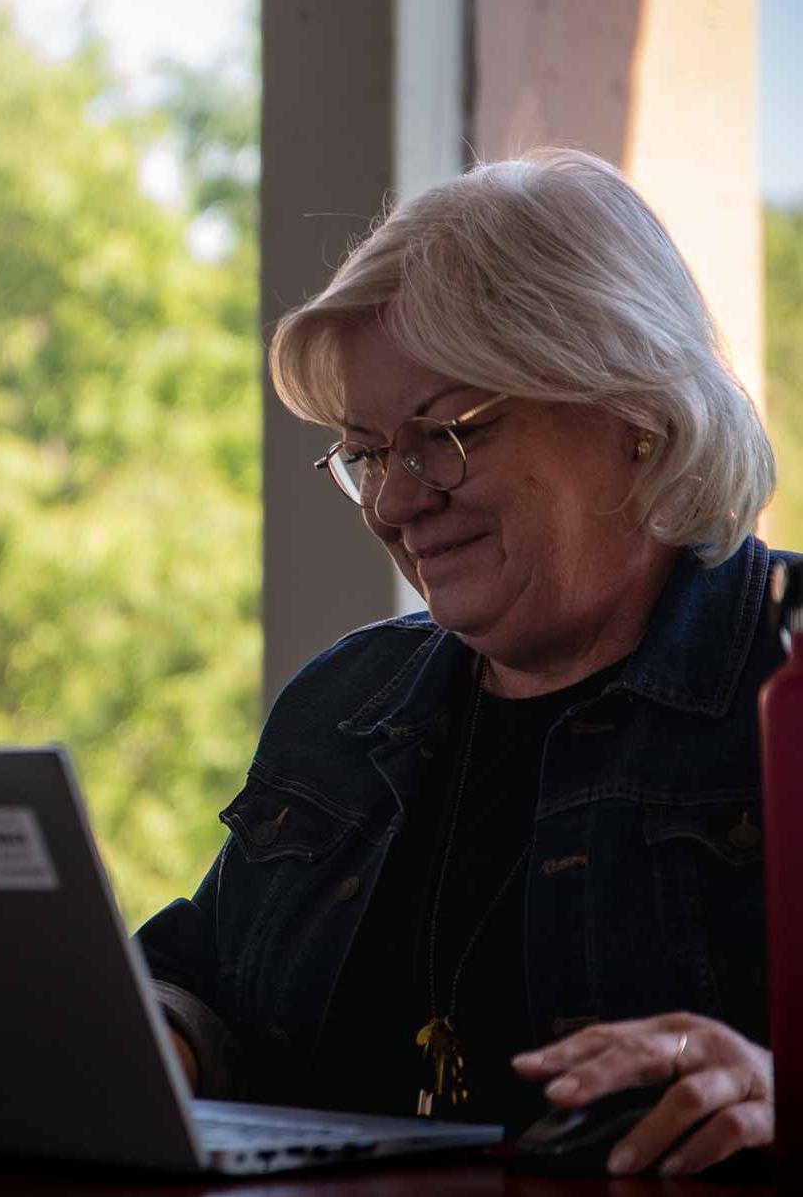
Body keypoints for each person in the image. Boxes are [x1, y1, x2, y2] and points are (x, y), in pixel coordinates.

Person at [137, 149, 789, 1176]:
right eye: (365, 452)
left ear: (632, 409)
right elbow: (206, 979)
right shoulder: (345, 703)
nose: (394, 503)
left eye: (442, 434)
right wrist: (151, 1036)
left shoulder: (785, 685)